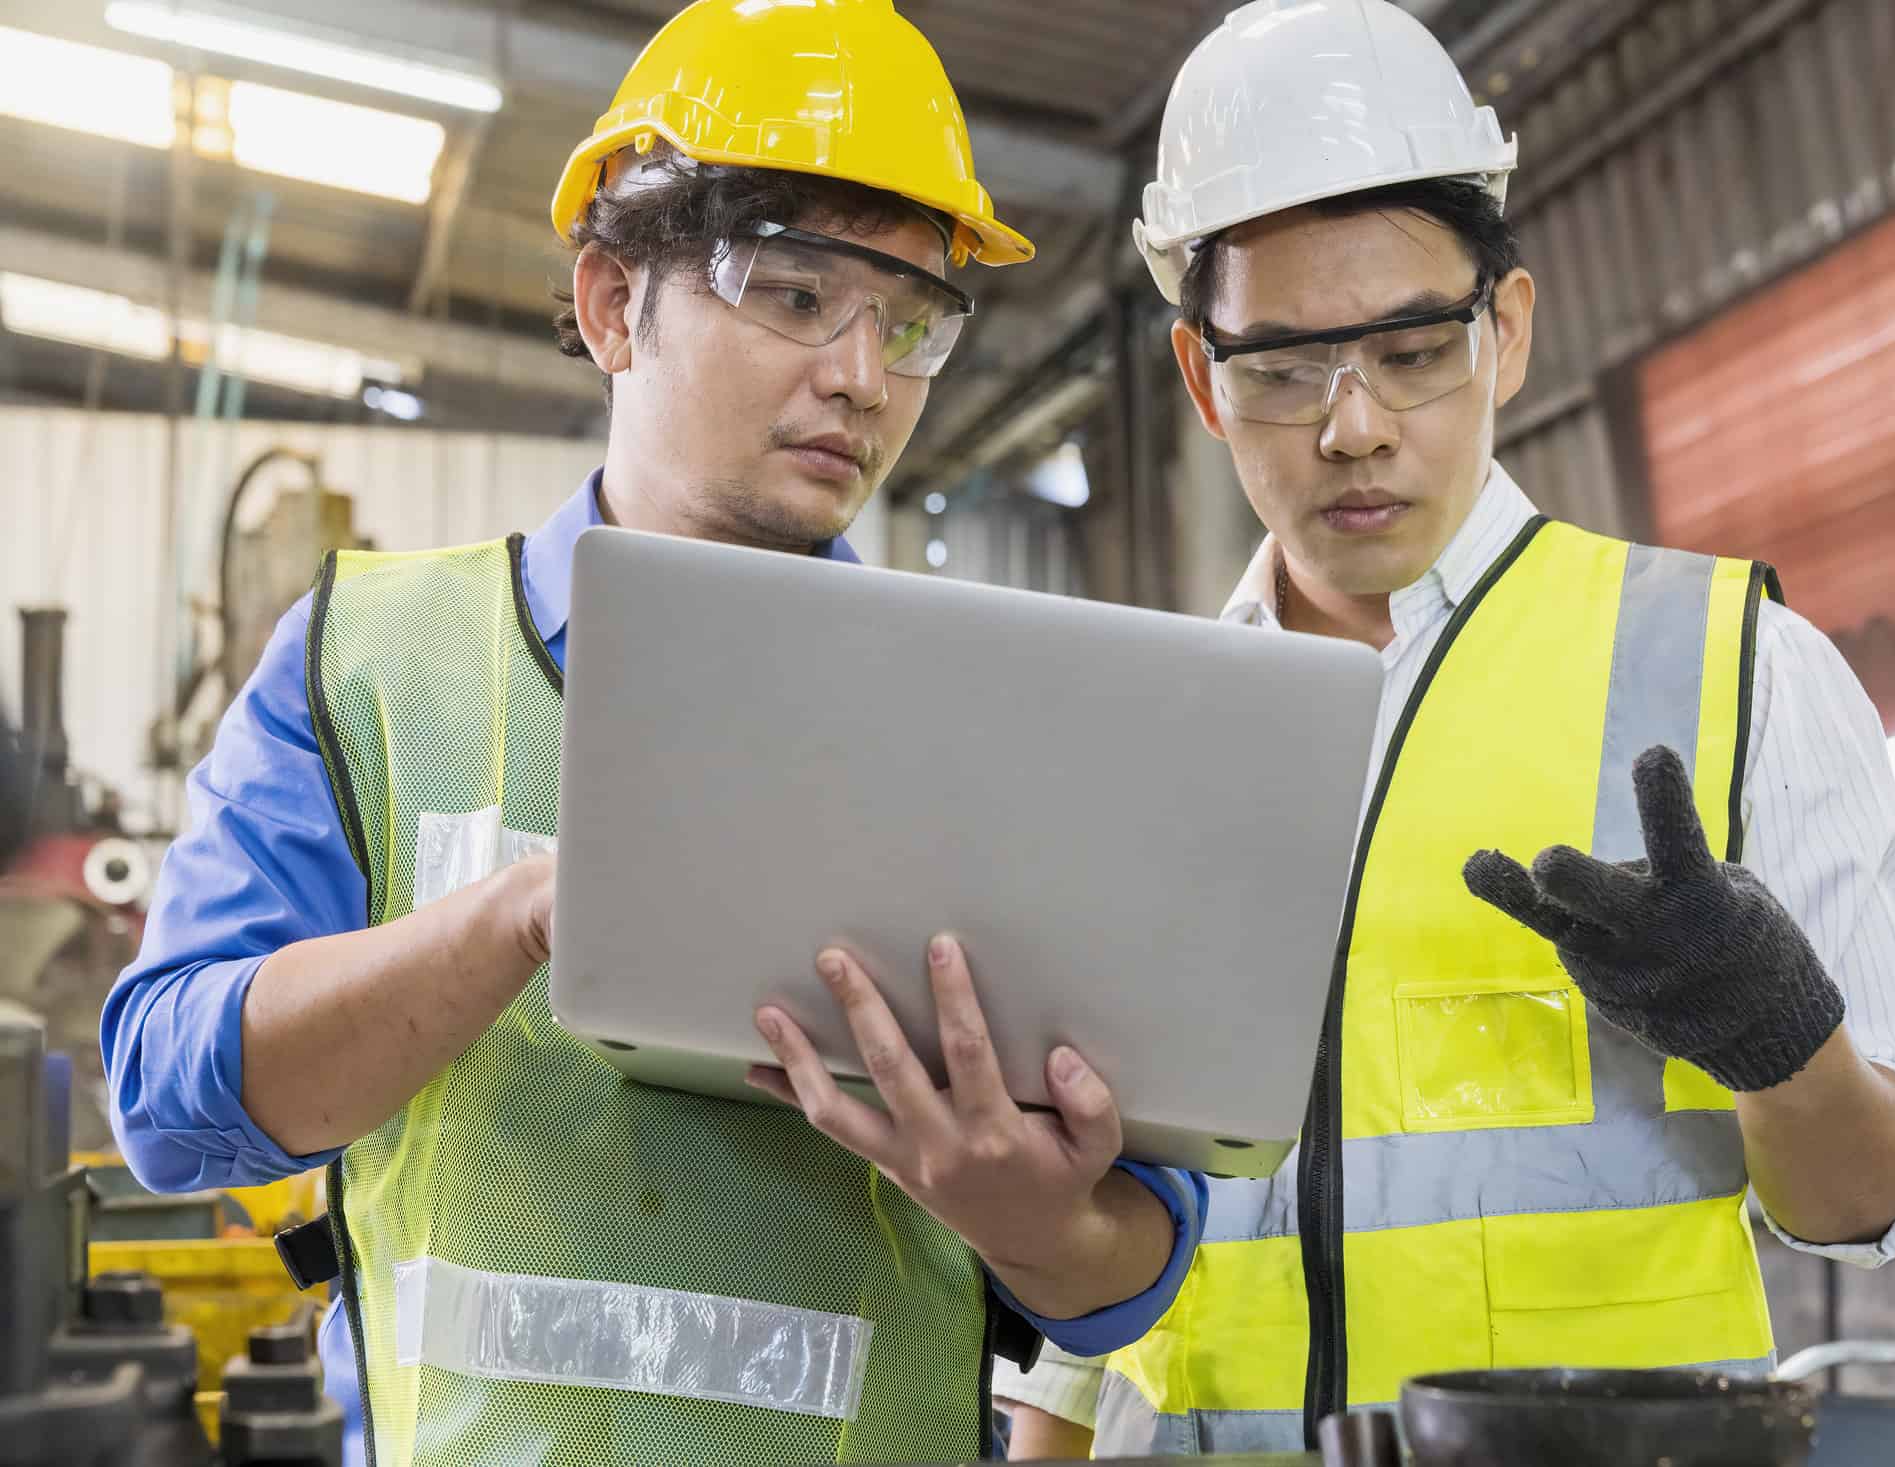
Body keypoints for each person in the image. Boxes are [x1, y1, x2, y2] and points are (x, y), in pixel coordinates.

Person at [100, 4, 1205, 1463]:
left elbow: (1142, 1264)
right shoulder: (370, 663)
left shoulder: (998, 720)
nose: (865, 378)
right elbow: (172, 1104)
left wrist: (1042, 1219)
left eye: (912, 318)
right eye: (798, 294)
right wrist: (513, 921)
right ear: (615, 303)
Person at [997, 0, 1895, 1457]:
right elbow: (1081, 1298)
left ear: (1504, 329)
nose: (1353, 427)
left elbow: (1865, 1208)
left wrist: (1782, 1045)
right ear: (1202, 379)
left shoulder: (1734, 670)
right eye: (1281, 369)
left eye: (1408, 350)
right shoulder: (1135, 733)